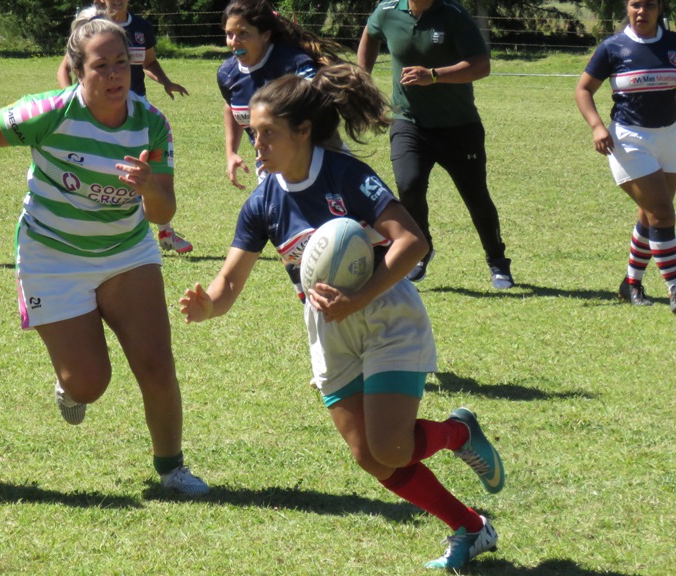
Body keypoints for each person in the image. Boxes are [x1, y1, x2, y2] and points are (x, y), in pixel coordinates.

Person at [180, 67, 505, 569]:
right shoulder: (263, 202)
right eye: (252, 133)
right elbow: (227, 285)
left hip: (385, 317)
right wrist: (208, 307)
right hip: (329, 332)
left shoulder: (344, 175)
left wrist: (358, 298)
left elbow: (412, 241)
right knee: (370, 456)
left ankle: (457, 434)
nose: (257, 144)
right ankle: (470, 526)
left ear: (303, 131)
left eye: (268, 133)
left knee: (393, 447)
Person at [0, 17, 208, 495]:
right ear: (78, 70)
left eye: (122, 63)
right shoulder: (49, 113)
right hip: (51, 257)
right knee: (89, 385)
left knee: (157, 365)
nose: (115, 75)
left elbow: (165, 210)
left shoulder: (151, 123)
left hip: (126, 252)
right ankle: (69, 385)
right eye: (101, 66)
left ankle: (172, 469)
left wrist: (147, 187)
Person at [357, 0, 514, 288]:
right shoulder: (388, 10)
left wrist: (433, 76)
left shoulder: (453, 15)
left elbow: (482, 65)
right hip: (409, 123)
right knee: (408, 185)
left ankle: (497, 262)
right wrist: (362, 78)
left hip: (458, 126)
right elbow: (371, 33)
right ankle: (421, 250)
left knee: (476, 198)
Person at [57, 0, 195, 254]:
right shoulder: (93, 28)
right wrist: (73, 100)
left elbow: (149, 62)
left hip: (135, 117)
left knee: (147, 174)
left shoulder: (141, 27)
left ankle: (165, 231)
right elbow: (65, 67)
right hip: (98, 115)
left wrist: (165, 81)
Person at [575, 0, 676, 313]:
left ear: (660, 8)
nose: (641, 11)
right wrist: (596, 127)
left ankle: (630, 283)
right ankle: (674, 290)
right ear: (627, 7)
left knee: (650, 214)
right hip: (629, 140)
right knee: (662, 211)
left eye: (648, 4)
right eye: (635, 4)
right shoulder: (613, 47)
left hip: (670, 136)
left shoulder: (673, 44)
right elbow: (583, 90)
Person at [217, 0, 344, 191]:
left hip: (319, 159)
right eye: (229, 34)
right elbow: (232, 107)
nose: (234, 42)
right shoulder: (227, 74)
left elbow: (318, 101)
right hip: (271, 170)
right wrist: (231, 153)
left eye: (243, 33)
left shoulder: (292, 63)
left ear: (265, 35)